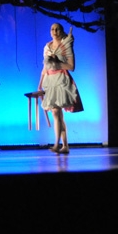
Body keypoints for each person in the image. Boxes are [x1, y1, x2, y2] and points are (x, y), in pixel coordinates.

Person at [37, 23, 83, 154]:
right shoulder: (47, 47)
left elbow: (71, 66)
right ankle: (65, 145)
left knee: (56, 113)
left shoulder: (66, 45)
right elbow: (45, 67)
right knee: (57, 115)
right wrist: (40, 84)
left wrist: (56, 62)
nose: (55, 31)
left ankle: (57, 144)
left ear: (61, 31)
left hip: (61, 80)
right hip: (50, 81)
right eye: (52, 29)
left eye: (57, 29)